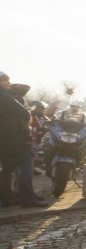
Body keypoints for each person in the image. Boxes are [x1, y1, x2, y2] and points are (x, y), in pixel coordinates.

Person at [0, 74, 47, 207]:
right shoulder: (4, 96)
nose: (8, 83)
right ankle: (27, 199)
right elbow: (25, 114)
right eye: (5, 80)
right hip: (15, 138)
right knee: (26, 165)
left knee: (7, 168)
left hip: (2, 140)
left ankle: (7, 198)